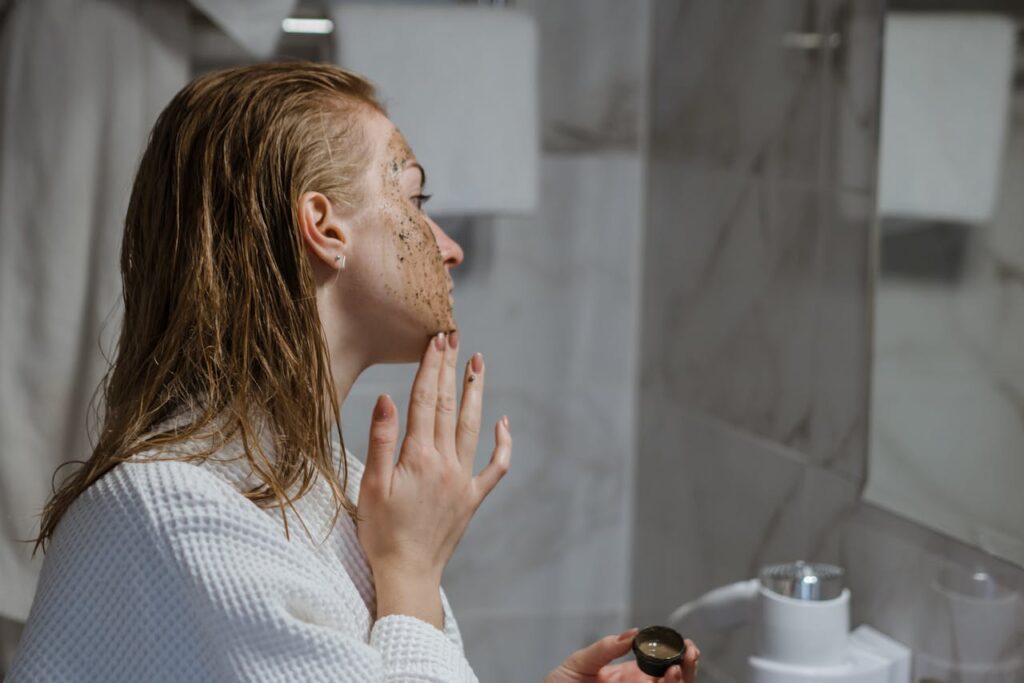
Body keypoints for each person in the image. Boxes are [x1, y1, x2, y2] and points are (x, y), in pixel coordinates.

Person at [6, 62, 700, 682]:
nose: (450, 249)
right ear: (324, 226)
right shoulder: (169, 510)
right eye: (416, 200)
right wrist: (412, 569)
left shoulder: (313, 482)